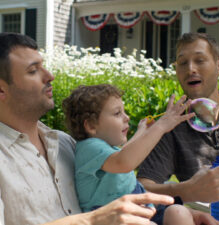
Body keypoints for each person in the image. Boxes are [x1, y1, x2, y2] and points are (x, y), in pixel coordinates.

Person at [0, 32, 178, 225]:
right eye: (33, 70)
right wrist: (93, 219)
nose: (50, 76)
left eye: (43, 66)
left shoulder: (65, 143)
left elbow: (120, 167)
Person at [62, 83, 219, 225]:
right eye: (117, 113)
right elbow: (125, 161)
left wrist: (142, 131)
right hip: (111, 217)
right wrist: (161, 126)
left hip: (140, 209)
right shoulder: (89, 148)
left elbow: (126, 152)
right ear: (90, 126)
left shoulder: (109, 151)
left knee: (178, 212)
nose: (127, 118)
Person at [137, 32, 219, 204]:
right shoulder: (170, 127)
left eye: (199, 60)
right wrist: (187, 191)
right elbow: (142, 188)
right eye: (183, 63)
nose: (190, 69)